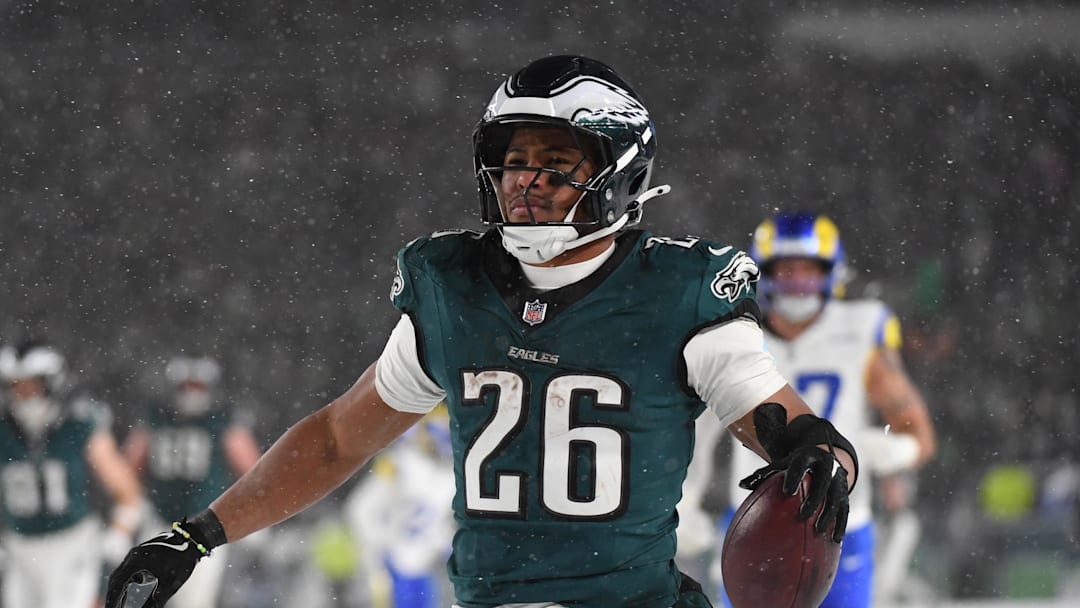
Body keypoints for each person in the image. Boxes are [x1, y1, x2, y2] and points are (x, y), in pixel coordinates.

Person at [105, 55, 859, 608]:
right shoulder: (453, 285)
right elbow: (339, 439)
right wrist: (194, 536)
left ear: (618, 171)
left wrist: (827, 457)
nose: (525, 182)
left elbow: (790, 429)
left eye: (556, 163)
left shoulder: (679, 290)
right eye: (514, 162)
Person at [695, 211, 936, 608]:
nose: (797, 283)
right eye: (786, 271)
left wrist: (901, 451)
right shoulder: (737, 332)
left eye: (807, 271)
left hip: (842, 520)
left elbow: (920, 432)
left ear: (831, 273)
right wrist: (687, 496)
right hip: (756, 518)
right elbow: (703, 424)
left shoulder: (860, 328)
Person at [0, 339, 144, 608]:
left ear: (51, 383)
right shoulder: (4, 429)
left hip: (71, 547)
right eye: (17, 387)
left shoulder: (79, 424)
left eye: (31, 386)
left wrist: (119, 532)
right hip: (18, 549)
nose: (24, 395)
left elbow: (127, 491)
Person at [122, 354, 261, 608]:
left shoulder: (223, 422)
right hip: (159, 521)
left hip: (204, 528)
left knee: (195, 602)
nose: (191, 393)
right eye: (186, 386)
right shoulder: (155, 419)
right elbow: (128, 468)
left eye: (197, 387)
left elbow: (252, 471)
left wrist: (250, 513)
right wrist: (133, 505)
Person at [343, 407, 455, 608]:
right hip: (394, 562)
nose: (443, 438)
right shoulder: (400, 464)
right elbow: (362, 508)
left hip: (427, 564)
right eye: (438, 430)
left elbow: (444, 520)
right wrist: (378, 543)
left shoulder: (450, 474)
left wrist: (445, 542)